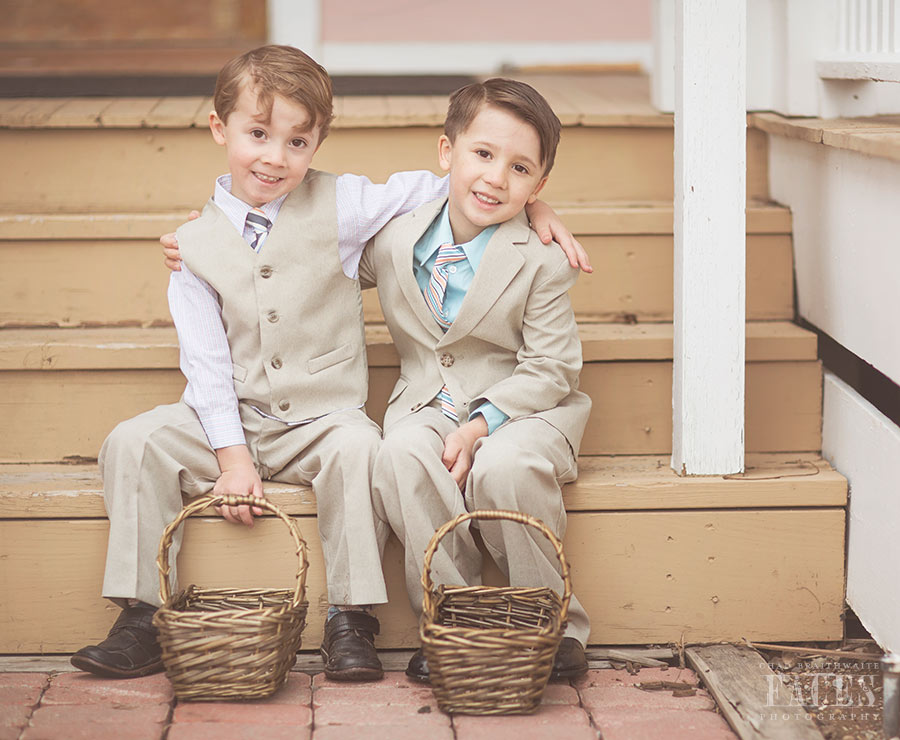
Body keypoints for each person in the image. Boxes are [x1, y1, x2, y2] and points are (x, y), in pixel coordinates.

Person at [75, 45, 589, 683]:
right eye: (257, 135)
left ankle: (354, 616)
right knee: (133, 442)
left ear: (317, 144)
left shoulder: (344, 207)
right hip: (229, 414)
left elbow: (455, 185)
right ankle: (142, 614)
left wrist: (536, 205)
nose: (274, 156)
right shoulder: (193, 246)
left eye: (296, 141)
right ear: (218, 129)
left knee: (360, 449)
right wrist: (232, 456)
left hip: (321, 416)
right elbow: (204, 365)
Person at [358, 78, 593, 682]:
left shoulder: (541, 258)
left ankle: (551, 620)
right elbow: (310, 251)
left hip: (524, 407)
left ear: (539, 186)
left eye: (520, 169)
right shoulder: (393, 239)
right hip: (426, 401)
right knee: (403, 452)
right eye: (482, 155)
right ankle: (452, 618)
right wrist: (214, 235)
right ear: (447, 154)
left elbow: (553, 367)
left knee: (502, 467)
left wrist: (483, 423)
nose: (495, 178)